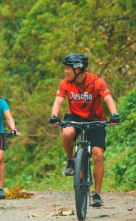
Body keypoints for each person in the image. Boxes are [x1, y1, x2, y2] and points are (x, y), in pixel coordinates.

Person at [49, 53, 119, 207]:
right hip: (75, 117)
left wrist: (114, 114)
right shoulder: (65, 83)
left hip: (96, 119)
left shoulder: (96, 81)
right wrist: (54, 116)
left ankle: (97, 194)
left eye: (67, 68)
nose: (65, 72)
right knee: (66, 132)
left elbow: (108, 99)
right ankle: (71, 161)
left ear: (78, 69)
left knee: (97, 154)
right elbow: (58, 100)